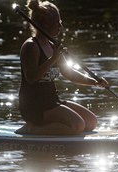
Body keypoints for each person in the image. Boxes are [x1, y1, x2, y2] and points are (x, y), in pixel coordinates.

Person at [17, 0, 109, 135]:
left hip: (52, 101)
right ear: (46, 24)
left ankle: (55, 126)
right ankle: (33, 128)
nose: (60, 26)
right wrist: (53, 59)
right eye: (57, 22)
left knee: (91, 122)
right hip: (34, 106)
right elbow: (31, 78)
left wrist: (95, 82)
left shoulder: (52, 45)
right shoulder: (30, 46)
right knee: (78, 126)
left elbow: (70, 73)